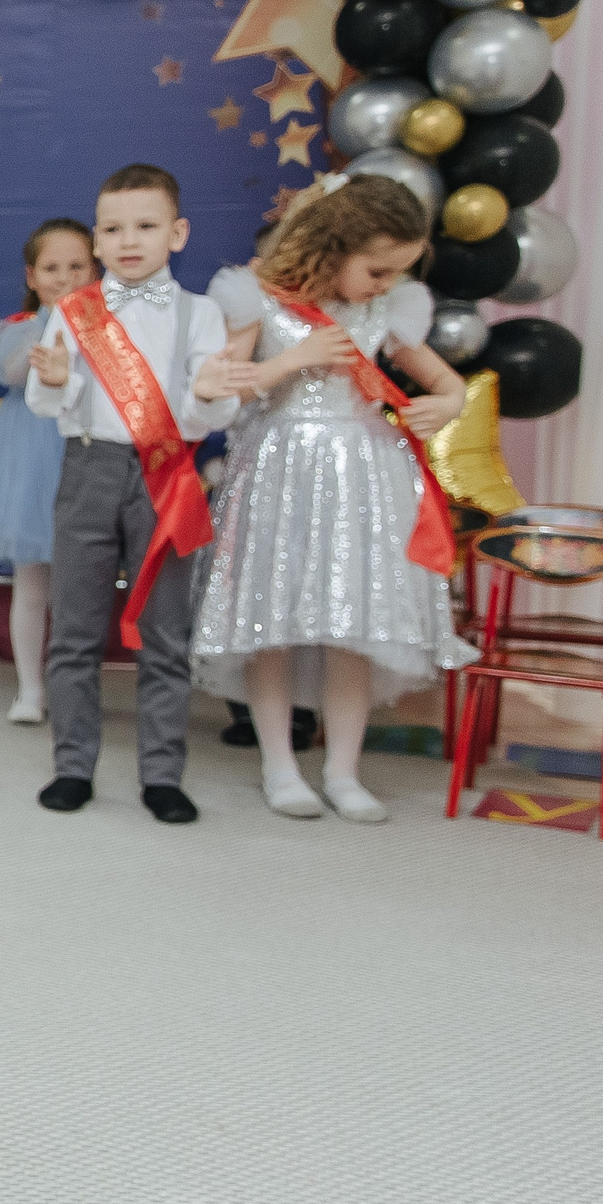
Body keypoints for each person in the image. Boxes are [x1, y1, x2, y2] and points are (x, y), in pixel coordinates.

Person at [196, 172, 471, 822]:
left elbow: (444, 379)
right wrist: (289, 361)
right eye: (377, 270)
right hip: (278, 471)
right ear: (335, 244)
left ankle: (343, 770)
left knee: (353, 623)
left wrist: (448, 403)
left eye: (396, 274)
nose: (384, 285)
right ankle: (279, 765)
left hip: (364, 479)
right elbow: (225, 391)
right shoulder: (257, 298)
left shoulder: (386, 311)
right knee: (273, 619)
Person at [25, 164, 240, 823]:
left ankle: (162, 773)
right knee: (76, 629)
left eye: (145, 226)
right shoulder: (74, 312)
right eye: (113, 228)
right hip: (89, 470)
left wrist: (204, 396)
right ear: (96, 238)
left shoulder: (201, 312)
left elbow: (217, 406)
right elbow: (45, 402)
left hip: (166, 473)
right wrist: (59, 379)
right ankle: (72, 764)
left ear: (176, 233)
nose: (128, 240)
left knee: (165, 630)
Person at [0, 218, 95, 724]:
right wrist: (48, 327)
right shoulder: (19, 328)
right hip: (29, 460)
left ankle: (71, 688)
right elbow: (12, 372)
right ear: (33, 276)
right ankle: (29, 688)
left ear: (95, 269)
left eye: (76, 266)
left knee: (78, 586)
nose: (64, 277)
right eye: (52, 268)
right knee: (31, 580)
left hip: (84, 455)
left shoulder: (111, 330)